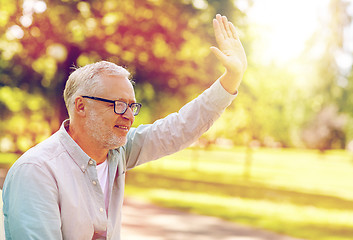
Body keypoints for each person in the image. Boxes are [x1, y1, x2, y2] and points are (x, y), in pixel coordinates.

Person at [2, 14, 247, 239]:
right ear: (80, 106)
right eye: (119, 104)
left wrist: (231, 78)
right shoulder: (37, 172)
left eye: (132, 106)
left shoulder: (116, 152)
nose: (129, 115)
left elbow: (178, 129)